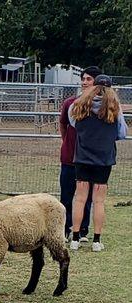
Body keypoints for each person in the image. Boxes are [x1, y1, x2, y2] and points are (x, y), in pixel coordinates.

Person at [68, 74, 128, 252]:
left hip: (82, 158)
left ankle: (75, 238)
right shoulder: (114, 109)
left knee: (79, 199)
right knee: (99, 201)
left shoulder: (78, 106)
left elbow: (73, 124)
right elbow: (122, 133)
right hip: (104, 160)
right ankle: (96, 241)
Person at [59, 66, 102, 242]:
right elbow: (63, 124)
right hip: (70, 158)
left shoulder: (102, 107)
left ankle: (82, 230)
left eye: (89, 79)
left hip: (89, 159)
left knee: (87, 197)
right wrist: (67, 142)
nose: (85, 82)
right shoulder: (70, 103)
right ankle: (64, 229)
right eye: (83, 79)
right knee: (67, 196)